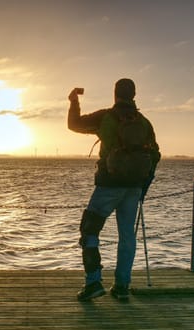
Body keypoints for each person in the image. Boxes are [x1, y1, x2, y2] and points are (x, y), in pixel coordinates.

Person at [67, 78, 160, 301]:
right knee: (127, 236)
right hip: (134, 188)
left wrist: (73, 101)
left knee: (89, 230)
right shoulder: (145, 122)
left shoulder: (106, 117)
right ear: (134, 95)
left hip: (109, 185)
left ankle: (93, 282)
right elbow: (155, 155)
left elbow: (74, 124)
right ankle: (121, 286)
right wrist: (144, 185)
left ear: (115, 94)